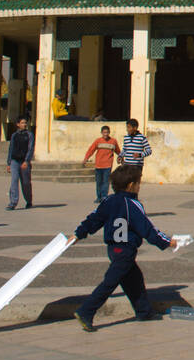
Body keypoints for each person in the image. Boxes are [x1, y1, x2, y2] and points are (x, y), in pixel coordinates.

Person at [69, 165, 181, 331]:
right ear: (131, 185)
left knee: (134, 279)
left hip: (113, 249)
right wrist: (167, 241)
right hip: (125, 250)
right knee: (110, 283)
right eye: (138, 183)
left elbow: (93, 219)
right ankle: (86, 311)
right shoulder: (133, 204)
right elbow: (147, 229)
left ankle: (144, 311)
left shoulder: (108, 201)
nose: (139, 186)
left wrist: (78, 234)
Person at [82, 124, 120, 203]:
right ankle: (98, 197)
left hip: (108, 165)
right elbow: (91, 150)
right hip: (98, 165)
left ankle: (104, 197)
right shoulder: (98, 141)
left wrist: (121, 158)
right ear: (101, 133)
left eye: (107, 132)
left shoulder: (113, 141)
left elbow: (118, 151)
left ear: (109, 133)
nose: (105, 134)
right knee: (99, 182)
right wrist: (86, 159)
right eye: (104, 132)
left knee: (106, 182)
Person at [5, 115, 34, 211]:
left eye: (25, 123)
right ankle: (13, 202)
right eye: (22, 123)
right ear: (18, 124)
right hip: (15, 161)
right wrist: (9, 163)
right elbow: (11, 149)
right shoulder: (14, 135)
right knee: (14, 181)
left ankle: (29, 201)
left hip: (24, 161)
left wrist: (27, 161)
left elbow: (30, 149)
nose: (24, 124)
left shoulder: (29, 135)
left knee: (25, 183)